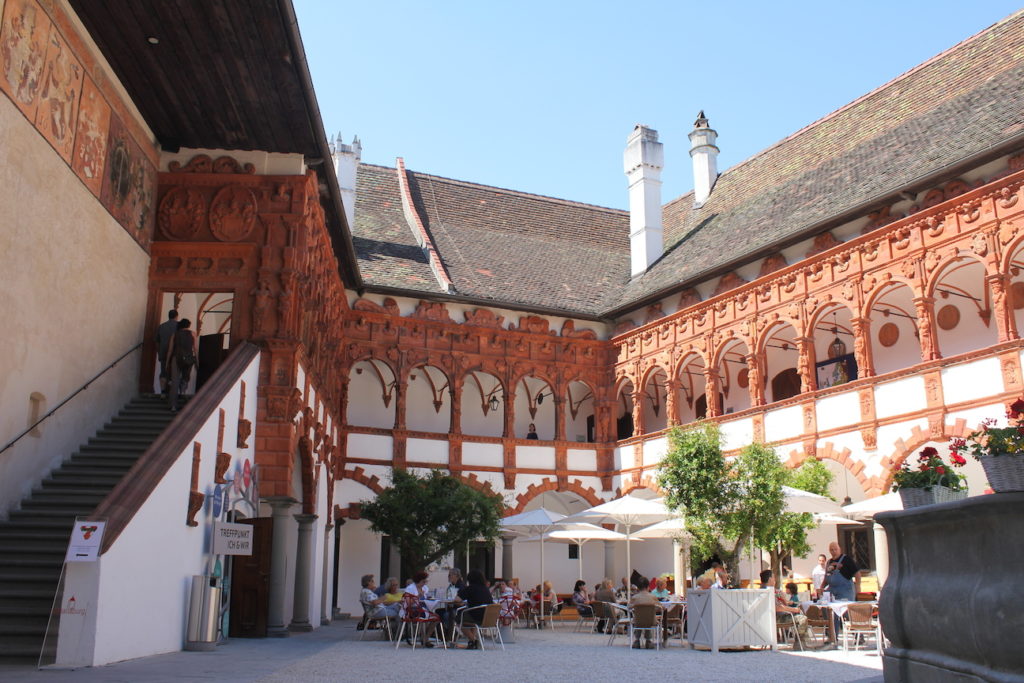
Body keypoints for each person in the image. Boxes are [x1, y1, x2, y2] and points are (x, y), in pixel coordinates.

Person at [761, 570, 809, 649]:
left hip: (767, 617)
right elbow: (778, 608)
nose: (775, 580)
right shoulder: (769, 592)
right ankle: (799, 643)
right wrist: (795, 610)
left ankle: (800, 643)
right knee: (802, 618)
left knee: (798, 615)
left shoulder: (762, 590)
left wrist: (783, 600)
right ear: (770, 579)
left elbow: (782, 605)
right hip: (776, 617)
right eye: (773, 578)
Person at [454, 569, 493, 650]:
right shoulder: (486, 589)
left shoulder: (470, 588)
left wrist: (463, 604)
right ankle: (472, 642)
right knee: (470, 616)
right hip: (487, 617)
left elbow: (457, 600)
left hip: (476, 616)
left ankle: (474, 640)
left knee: (459, 619)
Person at [166, 318, 196, 412]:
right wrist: (197, 361)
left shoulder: (174, 334)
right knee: (185, 377)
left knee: (174, 381)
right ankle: (183, 391)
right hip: (188, 358)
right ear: (188, 325)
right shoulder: (193, 333)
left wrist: (167, 362)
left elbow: (170, 349)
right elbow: (195, 349)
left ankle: (173, 406)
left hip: (176, 357)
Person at [628, 578, 659, 649]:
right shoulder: (653, 597)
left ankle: (637, 640)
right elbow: (660, 607)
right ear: (648, 586)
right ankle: (648, 641)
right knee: (648, 617)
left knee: (639, 617)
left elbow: (629, 607)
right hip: (651, 621)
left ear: (638, 587)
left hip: (638, 621)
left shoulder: (635, 597)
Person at [155, 309, 179, 394]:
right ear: (176, 316)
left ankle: (163, 391)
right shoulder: (179, 326)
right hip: (175, 353)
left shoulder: (161, 326)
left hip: (163, 352)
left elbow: (157, 341)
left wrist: (159, 352)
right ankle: (174, 393)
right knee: (175, 372)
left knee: (163, 372)